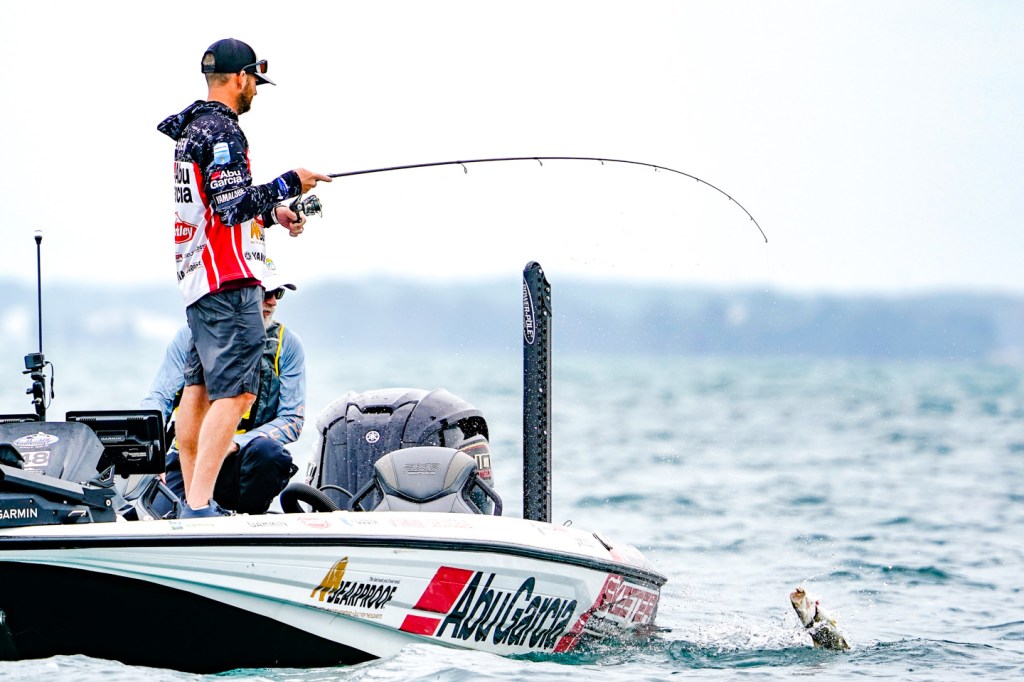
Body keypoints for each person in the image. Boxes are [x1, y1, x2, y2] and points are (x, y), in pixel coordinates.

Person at [156, 38, 330, 517]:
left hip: (199, 280)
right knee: (238, 394)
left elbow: (217, 205)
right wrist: (290, 182)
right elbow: (232, 207)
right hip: (228, 282)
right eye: (254, 79)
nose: (255, 89)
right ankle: (198, 506)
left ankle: (190, 501)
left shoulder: (193, 129)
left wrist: (273, 213)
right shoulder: (223, 131)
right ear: (239, 78)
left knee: (198, 392)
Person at [142, 261, 305, 515]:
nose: (273, 302)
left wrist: (235, 443)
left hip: (241, 460)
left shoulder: (289, 345)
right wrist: (149, 456)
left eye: (279, 293)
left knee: (271, 455)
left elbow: (293, 419)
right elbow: (158, 399)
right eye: (266, 293)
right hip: (189, 460)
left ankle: (247, 522)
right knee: (160, 513)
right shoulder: (188, 337)